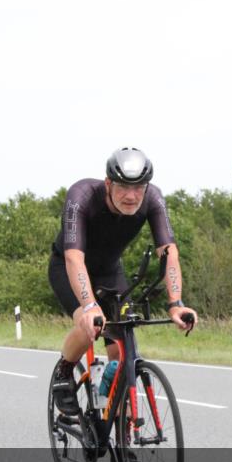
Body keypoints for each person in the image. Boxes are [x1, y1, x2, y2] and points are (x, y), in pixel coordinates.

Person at [48, 147, 198, 417]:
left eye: (139, 187)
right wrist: (90, 305)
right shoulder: (81, 196)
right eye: (123, 187)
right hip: (68, 266)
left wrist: (176, 303)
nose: (131, 196)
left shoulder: (153, 199)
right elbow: (74, 257)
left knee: (122, 351)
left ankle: (115, 418)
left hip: (110, 272)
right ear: (108, 183)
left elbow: (169, 252)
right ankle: (64, 370)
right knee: (88, 325)